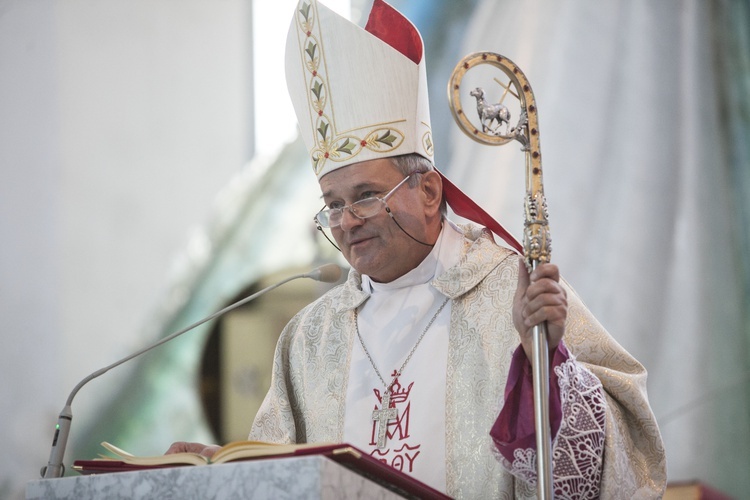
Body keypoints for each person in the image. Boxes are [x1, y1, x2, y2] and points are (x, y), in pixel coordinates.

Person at [169, 0, 667, 497]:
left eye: (365, 196)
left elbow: (619, 461)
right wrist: (223, 472)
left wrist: (546, 365)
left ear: (428, 192)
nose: (346, 222)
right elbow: (282, 473)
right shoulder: (311, 338)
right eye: (333, 205)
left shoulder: (507, 291)